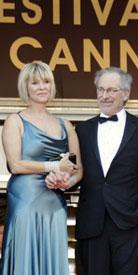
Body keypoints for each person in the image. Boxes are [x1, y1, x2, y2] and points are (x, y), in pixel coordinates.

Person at [73, 67, 138, 274]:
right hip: (91, 224)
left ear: (126, 94)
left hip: (130, 222)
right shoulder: (81, 131)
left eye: (112, 90)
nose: (105, 96)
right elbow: (76, 174)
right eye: (101, 90)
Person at [1, 61, 82, 274]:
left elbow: (76, 167)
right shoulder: (14, 121)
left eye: (46, 81)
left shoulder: (66, 125)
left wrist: (66, 181)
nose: (42, 87)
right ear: (25, 87)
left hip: (54, 203)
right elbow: (15, 165)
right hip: (25, 200)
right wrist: (54, 165)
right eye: (35, 82)